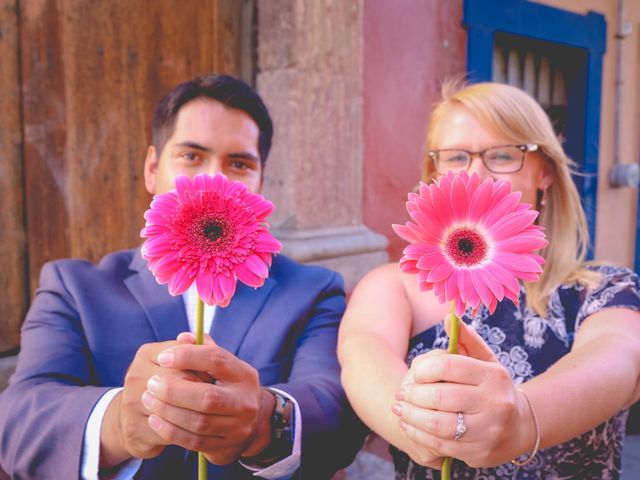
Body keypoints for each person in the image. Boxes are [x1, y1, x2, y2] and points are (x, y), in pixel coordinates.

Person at [0, 73, 366, 479]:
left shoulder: (313, 291)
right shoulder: (72, 287)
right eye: (192, 157)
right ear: (152, 170)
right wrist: (119, 421)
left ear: (261, 183)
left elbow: (337, 413)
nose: (215, 180)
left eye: (239, 164)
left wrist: (263, 421)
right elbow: (17, 420)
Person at [338, 81, 640, 479]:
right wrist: (424, 432)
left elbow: (617, 359)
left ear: (544, 173)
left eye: (502, 155)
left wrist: (521, 422)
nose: (476, 173)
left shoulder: (606, 290)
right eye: (457, 157)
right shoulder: (393, 286)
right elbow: (363, 357)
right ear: (434, 173)